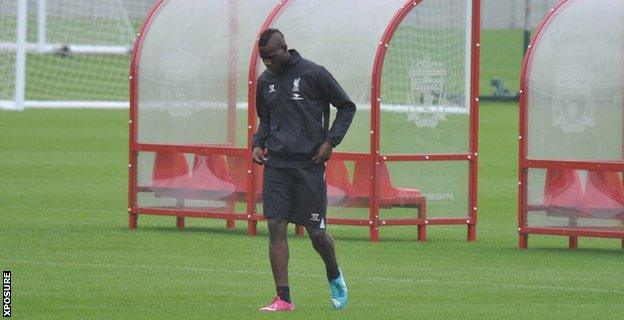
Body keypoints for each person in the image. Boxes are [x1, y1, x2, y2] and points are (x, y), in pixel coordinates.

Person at [251, 28, 356, 312]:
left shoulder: (314, 74)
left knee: (316, 233)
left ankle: (333, 274)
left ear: (285, 48)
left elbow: (347, 107)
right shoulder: (265, 82)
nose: (268, 63)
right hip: (277, 166)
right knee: (275, 226)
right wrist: (258, 144)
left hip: (308, 166)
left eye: (271, 57)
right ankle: (283, 298)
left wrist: (330, 142)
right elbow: (265, 119)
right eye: (263, 59)